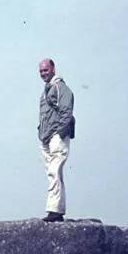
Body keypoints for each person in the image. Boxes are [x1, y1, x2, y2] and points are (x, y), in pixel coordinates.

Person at [37, 58, 75, 222]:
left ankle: (55, 211)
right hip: (47, 138)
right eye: (41, 71)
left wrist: (60, 133)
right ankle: (56, 209)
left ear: (53, 69)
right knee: (52, 174)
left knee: (55, 171)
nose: (43, 73)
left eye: (45, 70)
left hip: (56, 136)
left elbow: (67, 111)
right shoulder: (47, 89)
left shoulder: (60, 88)